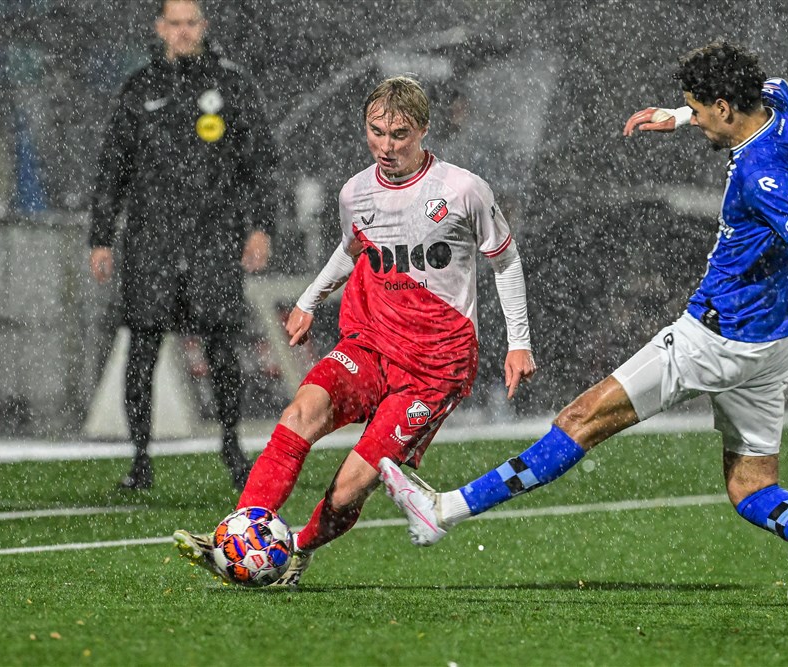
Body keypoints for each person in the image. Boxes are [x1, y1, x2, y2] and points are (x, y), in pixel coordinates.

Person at [379, 42, 788, 620]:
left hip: (715, 337)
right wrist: (676, 115)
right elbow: (768, 84)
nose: (698, 123)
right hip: (772, 342)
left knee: (580, 421)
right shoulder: (779, 107)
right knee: (752, 488)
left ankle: (442, 511)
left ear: (725, 107)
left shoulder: (759, 172)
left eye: (701, 111)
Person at [173, 76, 537, 586]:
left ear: (423, 131)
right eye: (376, 132)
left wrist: (519, 342)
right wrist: (308, 301)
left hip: (433, 368)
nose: (386, 146)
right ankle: (238, 537)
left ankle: (296, 549)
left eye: (399, 135)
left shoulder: (462, 190)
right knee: (300, 413)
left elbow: (506, 260)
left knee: (349, 488)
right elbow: (350, 249)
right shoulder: (356, 192)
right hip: (369, 343)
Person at [88, 0, 277, 490]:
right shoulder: (140, 86)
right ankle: (140, 460)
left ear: (203, 26)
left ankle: (232, 447)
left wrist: (260, 227)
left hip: (213, 237)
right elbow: (113, 167)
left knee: (222, 346)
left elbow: (258, 163)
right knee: (142, 346)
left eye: (191, 22)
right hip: (151, 240)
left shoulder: (229, 84)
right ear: (160, 28)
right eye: (175, 23)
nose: (183, 31)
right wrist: (101, 237)